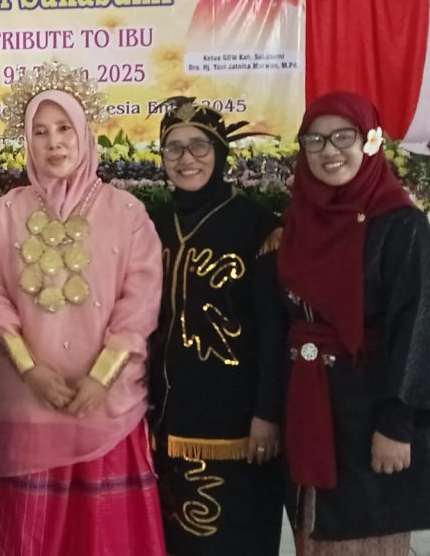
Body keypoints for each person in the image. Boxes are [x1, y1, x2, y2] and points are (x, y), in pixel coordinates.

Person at [0, 64, 166, 555]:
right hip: (28, 408)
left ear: (83, 133)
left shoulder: (127, 213)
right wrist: (30, 371)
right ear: (27, 141)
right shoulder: (2, 215)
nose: (54, 142)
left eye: (63, 129)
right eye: (40, 132)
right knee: (26, 537)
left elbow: (139, 306)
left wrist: (101, 378)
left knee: (104, 539)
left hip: (107, 409)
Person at [277, 91, 430, 555]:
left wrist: (398, 424)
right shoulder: (297, 222)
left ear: (370, 142)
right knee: (313, 536)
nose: (329, 150)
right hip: (310, 413)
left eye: (343, 136)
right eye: (315, 139)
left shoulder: (400, 225)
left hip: (373, 417)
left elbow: (418, 330)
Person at [147, 97, 286, 556]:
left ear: (220, 151)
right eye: (174, 148)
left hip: (238, 425)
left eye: (199, 146)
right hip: (165, 419)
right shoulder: (150, 226)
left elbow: (273, 331)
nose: (186, 158)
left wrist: (268, 414)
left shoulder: (257, 227)